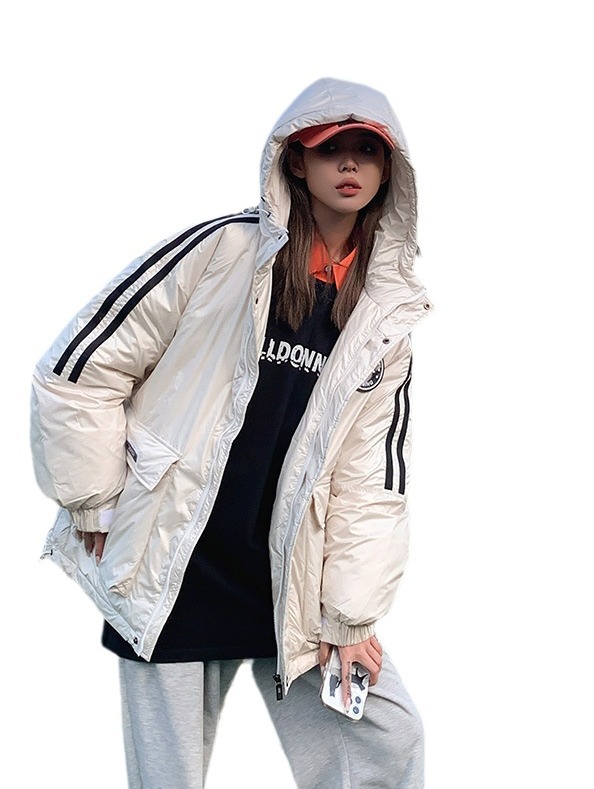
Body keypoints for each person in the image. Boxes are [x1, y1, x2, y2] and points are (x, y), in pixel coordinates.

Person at [30, 77, 431, 789]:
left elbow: (369, 477)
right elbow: (79, 369)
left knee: (388, 736)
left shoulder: (384, 314)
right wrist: (92, 497)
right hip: (175, 561)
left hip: (284, 576)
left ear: (388, 171)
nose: (349, 163)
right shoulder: (223, 251)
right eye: (330, 148)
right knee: (170, 778)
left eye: (367, 151)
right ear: (295, 161)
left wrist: (350, 614)